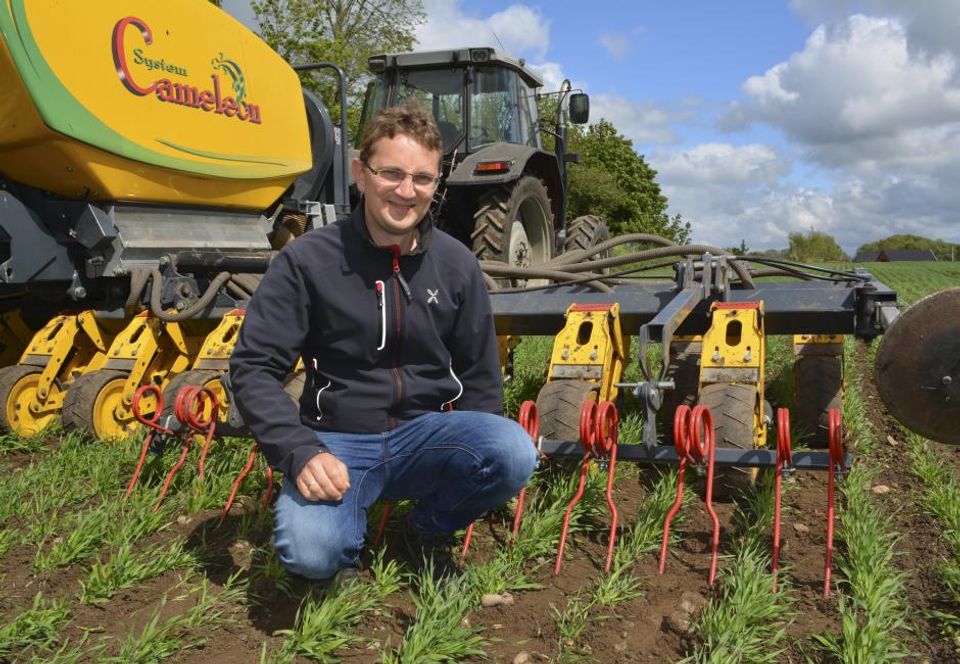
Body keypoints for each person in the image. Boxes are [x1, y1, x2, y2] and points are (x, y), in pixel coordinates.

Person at [228, 104, 538, 584]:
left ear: (437, 183)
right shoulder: (308, 261)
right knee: (311, 554)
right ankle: (346, 544)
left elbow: (479, 374)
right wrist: (300, 452)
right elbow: (253, 367)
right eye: (391, 173)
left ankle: (424, 531)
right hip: (337, 439)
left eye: (423, 178)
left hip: (425, 436)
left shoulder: (457, 265)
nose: (406, 191)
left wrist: (477, 461)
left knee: (513, 451)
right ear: (360, 173)